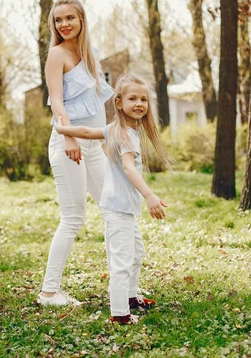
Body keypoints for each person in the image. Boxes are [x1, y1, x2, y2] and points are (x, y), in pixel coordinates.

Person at [54, 73, 173, 325]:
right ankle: (120, 314)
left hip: (121, 206)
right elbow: (129, 168)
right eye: (132, 98)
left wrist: (62, 127)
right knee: (122, 260)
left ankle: (130, 296)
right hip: (119, 207)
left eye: (143, 99)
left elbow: (87, 131)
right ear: (118, 102)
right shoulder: (124, 133)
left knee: (136, 253)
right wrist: (150, 196)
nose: (139, 103)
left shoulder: (119, 130)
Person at [36, 0, 114, 307]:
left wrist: (105, 140)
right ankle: (49, 292)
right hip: (68, 144)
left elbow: (97, 103)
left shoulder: (89, 54)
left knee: (114, 209)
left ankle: (124, 284)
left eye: (70, 18)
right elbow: (57, 101)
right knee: (73, 218)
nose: (64, 24)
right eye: (58, 20)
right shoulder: (56, 55)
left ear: (81, 20)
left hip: (94, 144)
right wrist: (67, 136)